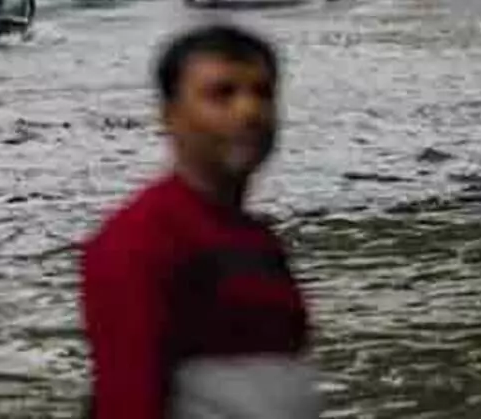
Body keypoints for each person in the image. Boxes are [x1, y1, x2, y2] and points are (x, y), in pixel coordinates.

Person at [80, 23, 318, 419]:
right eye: (221, 94)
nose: (248, 111)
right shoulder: (139, 243)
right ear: (170, 116)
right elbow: (128, 400)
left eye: (262, 93)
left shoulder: (259, 241)